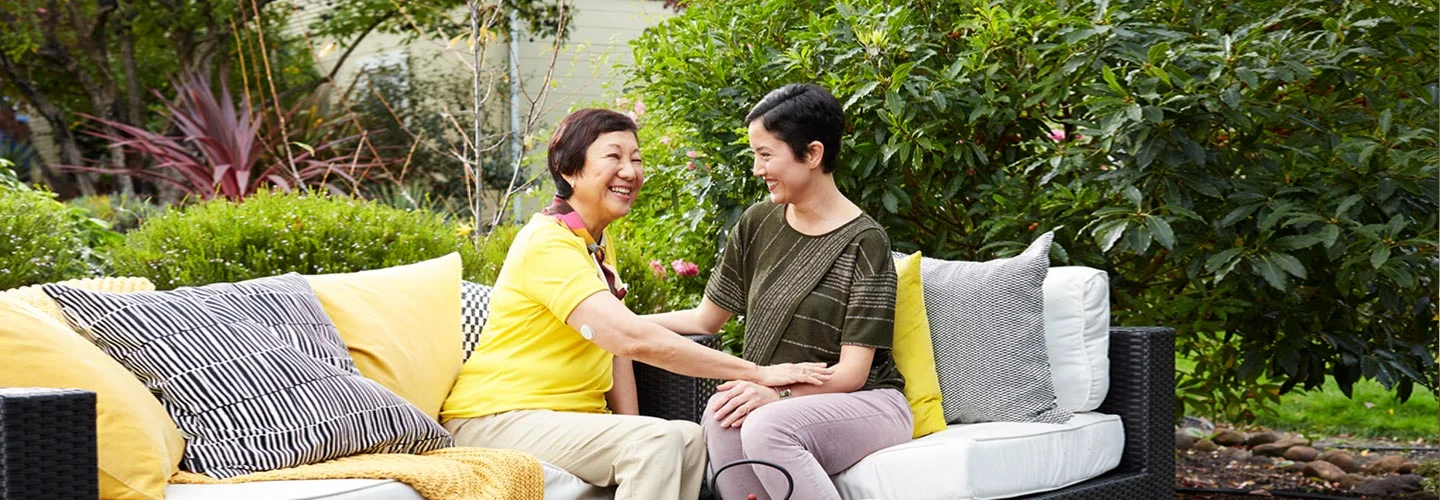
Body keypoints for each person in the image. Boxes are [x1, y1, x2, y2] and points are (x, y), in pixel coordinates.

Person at [440, 108, 834, 500]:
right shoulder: (547, 242)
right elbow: (629, 337)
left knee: (687, 439)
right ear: (567, 168)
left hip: (562, 417)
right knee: (657, 443)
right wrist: (758, 374)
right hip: (495, 417)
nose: (630, 171)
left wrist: (632, 425)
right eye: (613, 157)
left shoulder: (594, 242)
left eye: (636, 159)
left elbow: (616, 346)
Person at [645, 84, 913, 500]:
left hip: (869, 402)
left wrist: (776, 393)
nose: (756, 168)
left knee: (766, 424)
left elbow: (852, 373)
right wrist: (619, 322)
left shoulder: (865, 241)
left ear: (812, 154)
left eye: (766, 154)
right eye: (755, 154)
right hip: (780, 402)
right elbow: (704, 320)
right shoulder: (757, 224)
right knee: (723, 416)